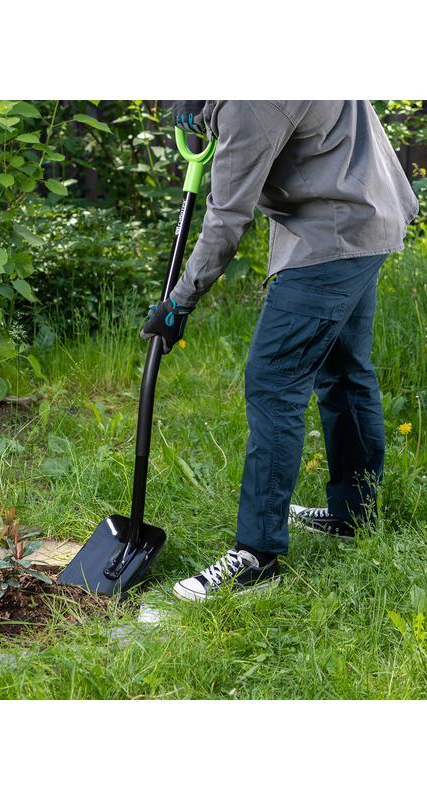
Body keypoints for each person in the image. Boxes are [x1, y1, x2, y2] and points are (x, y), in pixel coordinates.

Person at [141, 100, 419, 602]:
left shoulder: (248, 99)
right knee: (343, 370)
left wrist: (179, 303)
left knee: (274, 382)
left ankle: (256, 556)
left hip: (330, 237)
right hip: (370, 215)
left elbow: (227, 215)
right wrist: (205, 110)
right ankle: (353, 513)